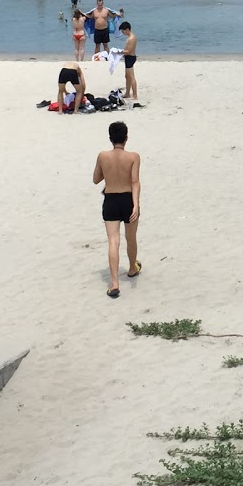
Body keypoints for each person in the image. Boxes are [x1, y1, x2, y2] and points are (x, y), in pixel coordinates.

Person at [93, 120, 141, 298]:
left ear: (110, 138)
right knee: (131, 238)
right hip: (128, 200)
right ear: (126, 138)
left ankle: (114, 283)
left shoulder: (103, 156)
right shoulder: (133, 157)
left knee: (113, 241)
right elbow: (135, 181)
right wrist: (136, 204)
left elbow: (96, 179)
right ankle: (131, 268)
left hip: (111, 199)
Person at [118, 21, 139, 103]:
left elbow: (129, 51)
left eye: (123, 31)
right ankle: (127, 93)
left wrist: (119, 52)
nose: (123, 33)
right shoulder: (130, 37)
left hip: (130, 57)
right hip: (128, 57)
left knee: (131, 77)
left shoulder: (131, 38)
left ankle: (135, 95)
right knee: (127, 76)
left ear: (127, 29)